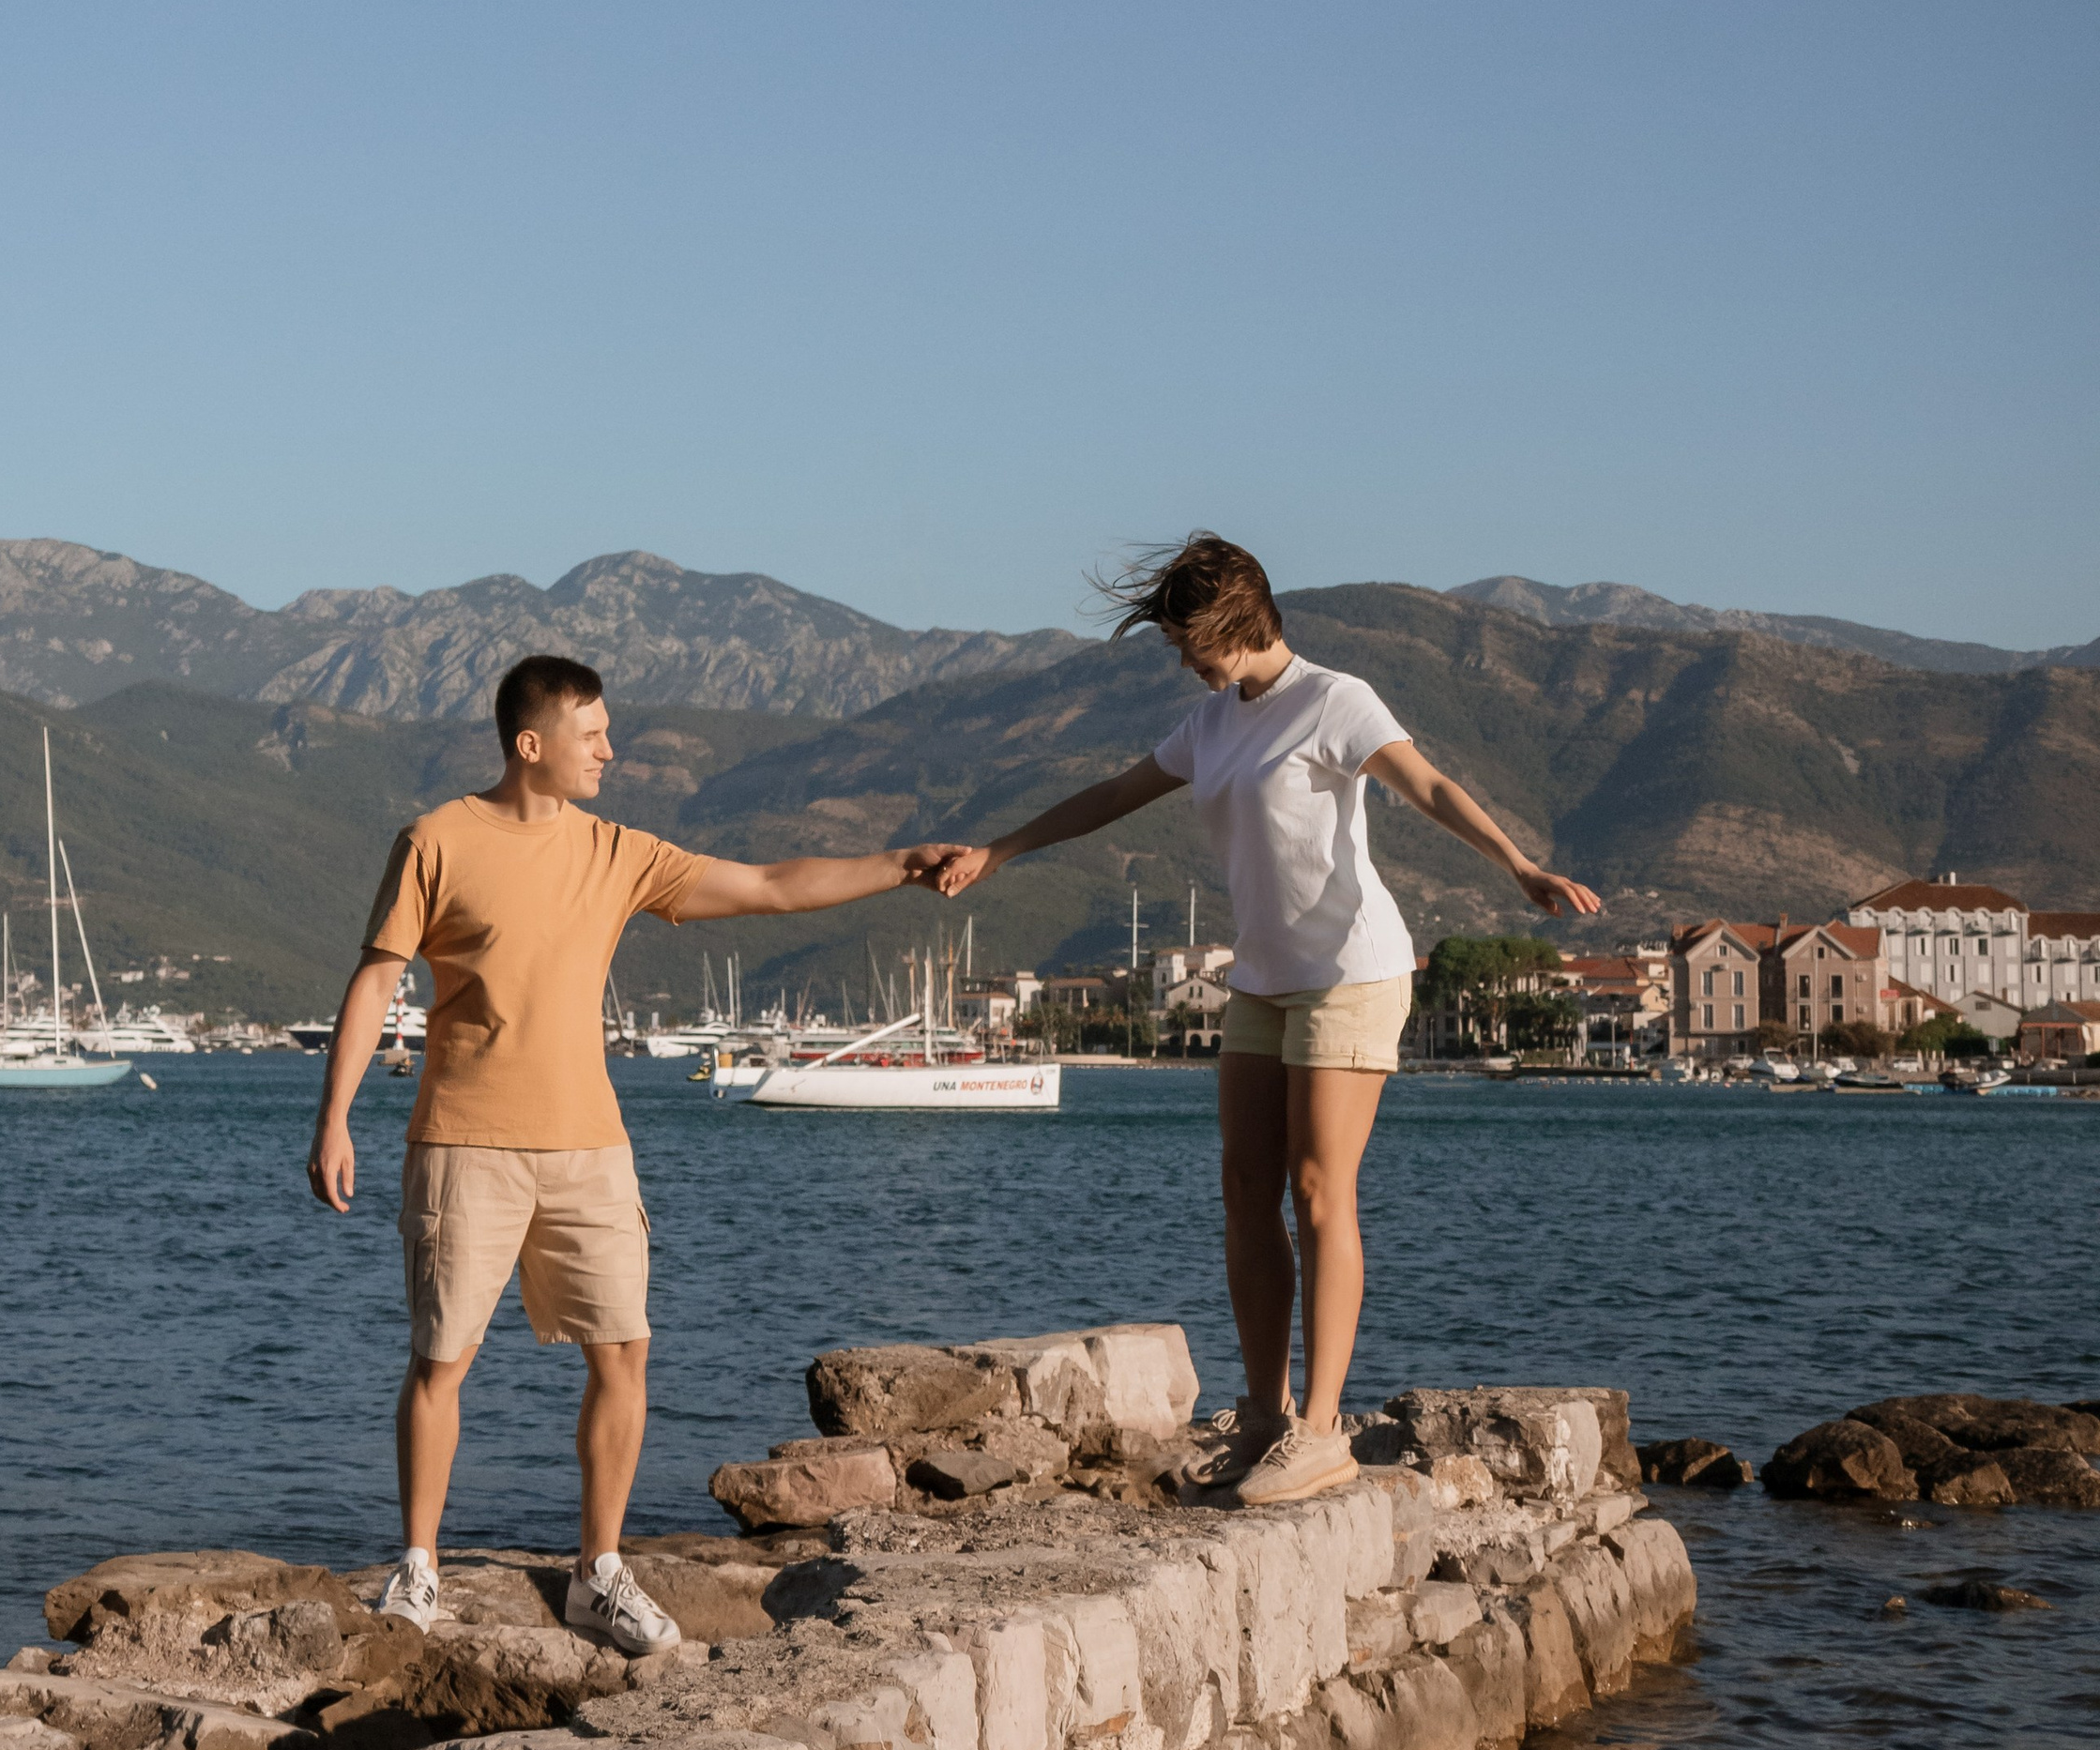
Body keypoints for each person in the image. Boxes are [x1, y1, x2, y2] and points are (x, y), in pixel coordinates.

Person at [309, 651, 961, 1652]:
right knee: (442, 1359)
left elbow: (772, 886)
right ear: (533, 745)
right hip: (464, 1142)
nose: (611, 748)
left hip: (591, 1149)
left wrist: (899, 863)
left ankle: (598, 1571)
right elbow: (375, 977)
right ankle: (417, 1567)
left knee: (624, 1354)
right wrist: (334, 1116)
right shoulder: (436, 838)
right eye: (593, 733)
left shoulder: (617, 851)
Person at [936, 537, 1602, 1506]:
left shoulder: (1335, 698)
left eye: (1190, 641)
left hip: (1351, 972)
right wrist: (999, 849)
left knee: (1317, 1186)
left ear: (1237, 622)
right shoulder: (1209, 723)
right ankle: (1262, 1413)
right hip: (1261, 979)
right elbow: (1114, 795)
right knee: (1244, 1187)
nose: (1183, 660)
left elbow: (1430, 786)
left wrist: (1519, 864)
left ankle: (1322, 1428)